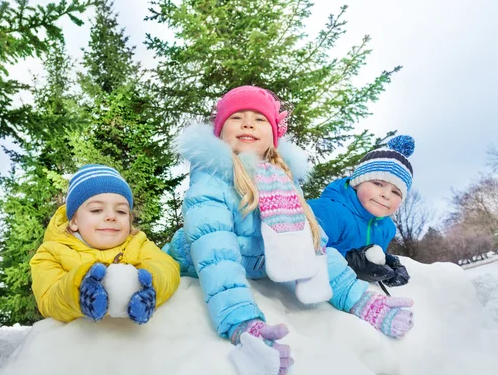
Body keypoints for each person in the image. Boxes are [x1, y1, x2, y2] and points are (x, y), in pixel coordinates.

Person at [165, 86, 414, 375]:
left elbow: (313, 244)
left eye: (259, 119)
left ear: (273, 134)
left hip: (255, 262)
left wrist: (356, 296)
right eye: (237, 117)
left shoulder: (281, 178)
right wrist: (241, 323)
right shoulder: (212, 178)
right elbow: (215, 253)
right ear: (220, 132)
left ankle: (362, 303)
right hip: (193, 262)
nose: (248, 123)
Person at [30, 164, 180, 325]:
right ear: (74, 221)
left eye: (121, 211)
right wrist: (81, 290)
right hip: (81, 343)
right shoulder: (51, 253)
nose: (111, 216)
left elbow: (167, 268)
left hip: (134, 342)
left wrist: (150, 286)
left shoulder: (139, 244)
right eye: (96, 210)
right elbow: (49, 297)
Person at [308, 136, 415, 287]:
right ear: (357, 182)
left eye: (396, 192)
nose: (386, 195)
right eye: (378, 183)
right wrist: (350, 262)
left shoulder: (386, 228)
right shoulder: (329, 213)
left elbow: (366, 253)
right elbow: (298, 251)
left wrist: (387, 263)